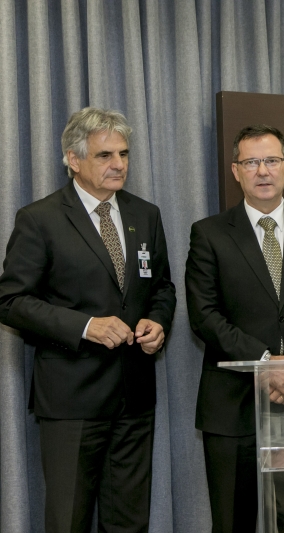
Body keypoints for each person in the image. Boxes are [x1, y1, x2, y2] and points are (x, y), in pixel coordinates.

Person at [0, 107, 177, 532]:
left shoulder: (145, 214)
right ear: (73, 159)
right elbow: (11, 301)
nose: (118, 164)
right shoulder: (39, 219)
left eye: (123, 153)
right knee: (69, 520)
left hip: (134, 397)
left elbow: (163, 287)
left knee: (129, 522)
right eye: (104, 155)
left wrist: (157, 321)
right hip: (71, 400)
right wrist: (86, 326)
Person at [185, 124, 284, 533]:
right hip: (232, 407)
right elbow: (204, 314)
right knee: (232, 521)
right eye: (251, 162)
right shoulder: (209, 233)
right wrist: (266, 363)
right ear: (236, 171)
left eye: (271, 160)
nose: (263, 171)